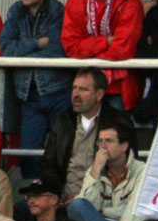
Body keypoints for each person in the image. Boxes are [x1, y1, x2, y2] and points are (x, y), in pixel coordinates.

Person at [0, 0, 73, 179]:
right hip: (29, 96)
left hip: (58, 92)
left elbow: (56, 51)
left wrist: (23, 52)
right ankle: (33, 194)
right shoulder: (16, 10)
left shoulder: (57, 10)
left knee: (62, 150)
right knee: (28, 155)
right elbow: (6, 48)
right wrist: (37, 43)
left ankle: (57, 194)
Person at [61, 0, 144, 112]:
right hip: (85, 87)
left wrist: (89, 51)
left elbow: (123, 49)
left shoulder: (129, 0)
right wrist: (106, 41)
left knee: (114, 128)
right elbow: (70, 46)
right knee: (84, 128)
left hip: (118, 88)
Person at [67, 119, 144, 221]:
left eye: (108, 141)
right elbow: (87, 208)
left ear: (124, 146)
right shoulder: (95, 171)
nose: (102, 146)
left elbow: (135, 208)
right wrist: (96, 169)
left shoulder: (142, 171)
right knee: (76, 205)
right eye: (100, 141)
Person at [40, 68, 132, 202]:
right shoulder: (63, 121)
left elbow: (125, 169)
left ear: (99, 94)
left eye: (83, 90)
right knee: (23, 206)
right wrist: (56, 194)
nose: (76, 94)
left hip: (101, 199)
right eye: (74, 88)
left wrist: (86, 196)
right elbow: (49, 164)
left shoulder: (118, 123)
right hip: (62, 197)